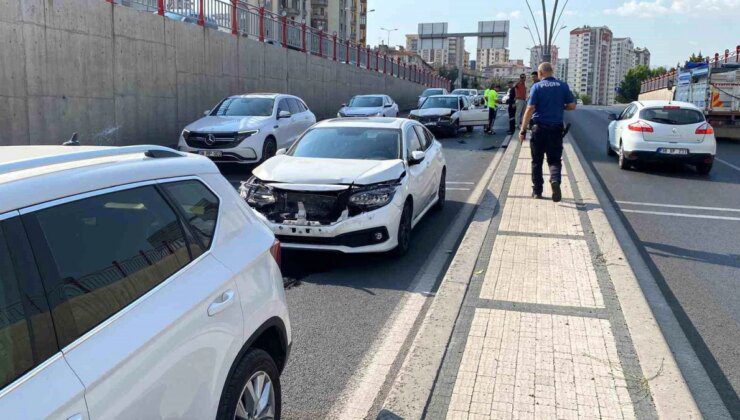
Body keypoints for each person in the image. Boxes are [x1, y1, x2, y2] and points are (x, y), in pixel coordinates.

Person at [518, 62, 577, 202]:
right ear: (552, 71)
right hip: (556, 129)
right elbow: (572, 105)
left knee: (537, 161)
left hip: (539, 129)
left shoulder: (537, 87)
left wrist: (522, 130)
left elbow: (530, 108)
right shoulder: (563, 86)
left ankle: (537, 191)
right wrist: (559, 107)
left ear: (540, 73)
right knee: (555, 160)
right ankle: (555, 179)